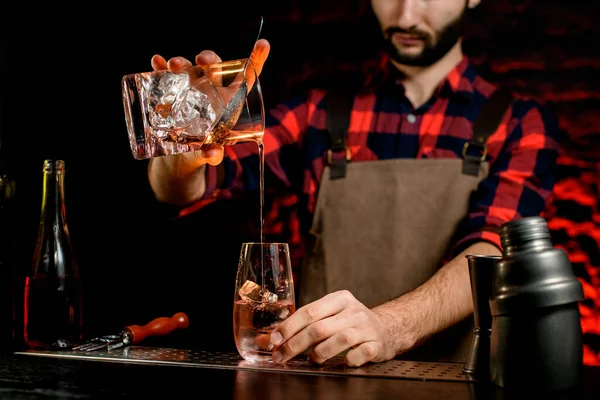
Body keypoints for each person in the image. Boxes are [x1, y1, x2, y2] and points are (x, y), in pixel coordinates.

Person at [147, 0, 560, 367]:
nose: (406, 15)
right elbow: (182, 189)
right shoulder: (318, 114)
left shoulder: (520, 124)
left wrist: (388, 328)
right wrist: (187, 143)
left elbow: (489, 252)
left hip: (457, 383)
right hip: (326, 381)